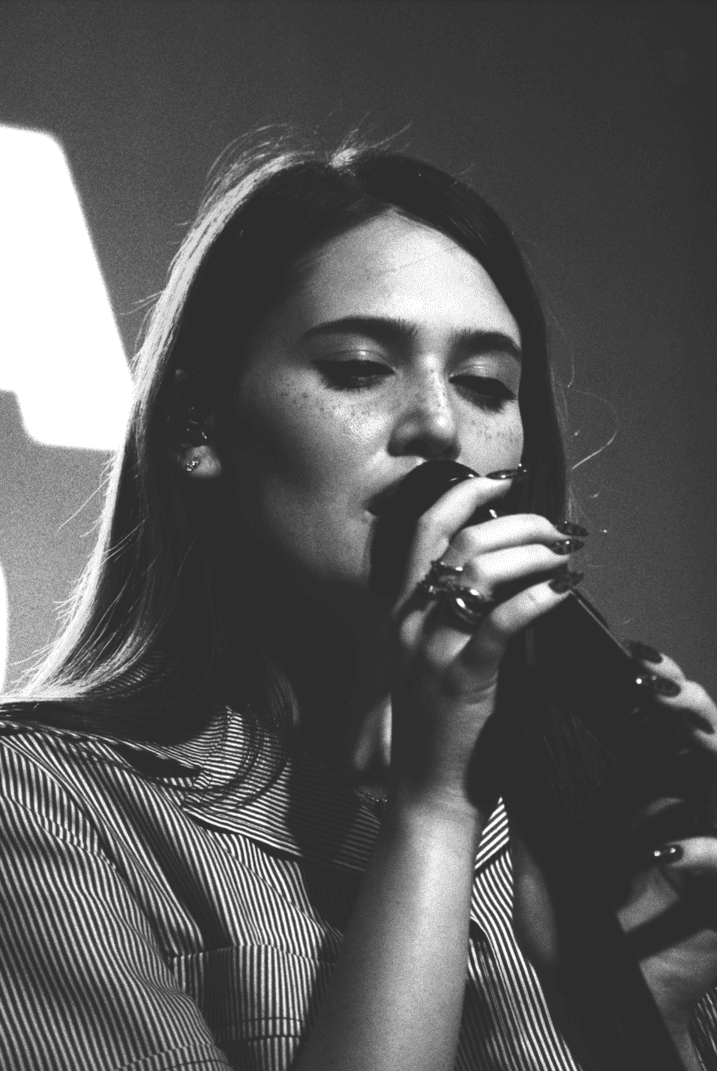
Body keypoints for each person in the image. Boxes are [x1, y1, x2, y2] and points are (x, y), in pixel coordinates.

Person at [1, 136, 716, 1071]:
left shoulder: (589, 830)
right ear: (196, 424)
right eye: (358, 367)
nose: (439, 425)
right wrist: (432, 812)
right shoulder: (50, 805)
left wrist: (645, 1011)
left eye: (485, 385)